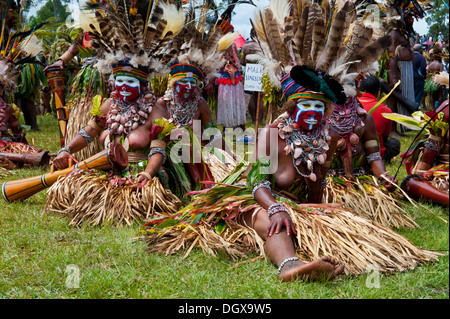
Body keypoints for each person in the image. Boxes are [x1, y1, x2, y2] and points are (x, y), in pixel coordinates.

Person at [142, 0, 439, 280]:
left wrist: (323, 215)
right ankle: (289, 265)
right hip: (256, 202)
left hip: (300, 207)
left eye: (316, 108)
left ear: (324, 111)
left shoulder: (329, 135)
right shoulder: (272, 134)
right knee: (270, 222)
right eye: (303, 107)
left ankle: (358, 255)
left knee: (329, 217)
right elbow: (257, 182)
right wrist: (275, 206)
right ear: (291, 107)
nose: (310, 115)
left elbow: (319, 186)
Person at [44, 1, 185, 226]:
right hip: (106, 174)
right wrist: (65, 150)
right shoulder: (110, 104)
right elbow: (89, 133)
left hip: (139, 176)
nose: (123, 87)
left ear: (143, 84)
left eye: (130, 81)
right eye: (118, 81)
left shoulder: (156, 110)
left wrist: (147, 175)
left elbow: (159, 150)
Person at [358, 75, 400, 164]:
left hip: (355, 154)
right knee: (394, 143)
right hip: (375, 156)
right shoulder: (386, 111)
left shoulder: (350, 106)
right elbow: (384, 138)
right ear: (378, 91)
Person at [216, 42, 247, 132]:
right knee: (228, 103)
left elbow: (235, 61)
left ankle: (237, 125)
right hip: (226, 82)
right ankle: (230, 126)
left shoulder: (229, 45)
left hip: (233, 81)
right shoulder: (222, 46)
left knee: (234, 103)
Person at [240, 29, 264, 125]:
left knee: (252, 97)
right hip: (261, 70)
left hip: (250, 71)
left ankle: (254, 120)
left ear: (250, 35)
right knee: (260, 97)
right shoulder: (263, 47)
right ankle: (260, 120)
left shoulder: (246, 46)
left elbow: (242, 61)